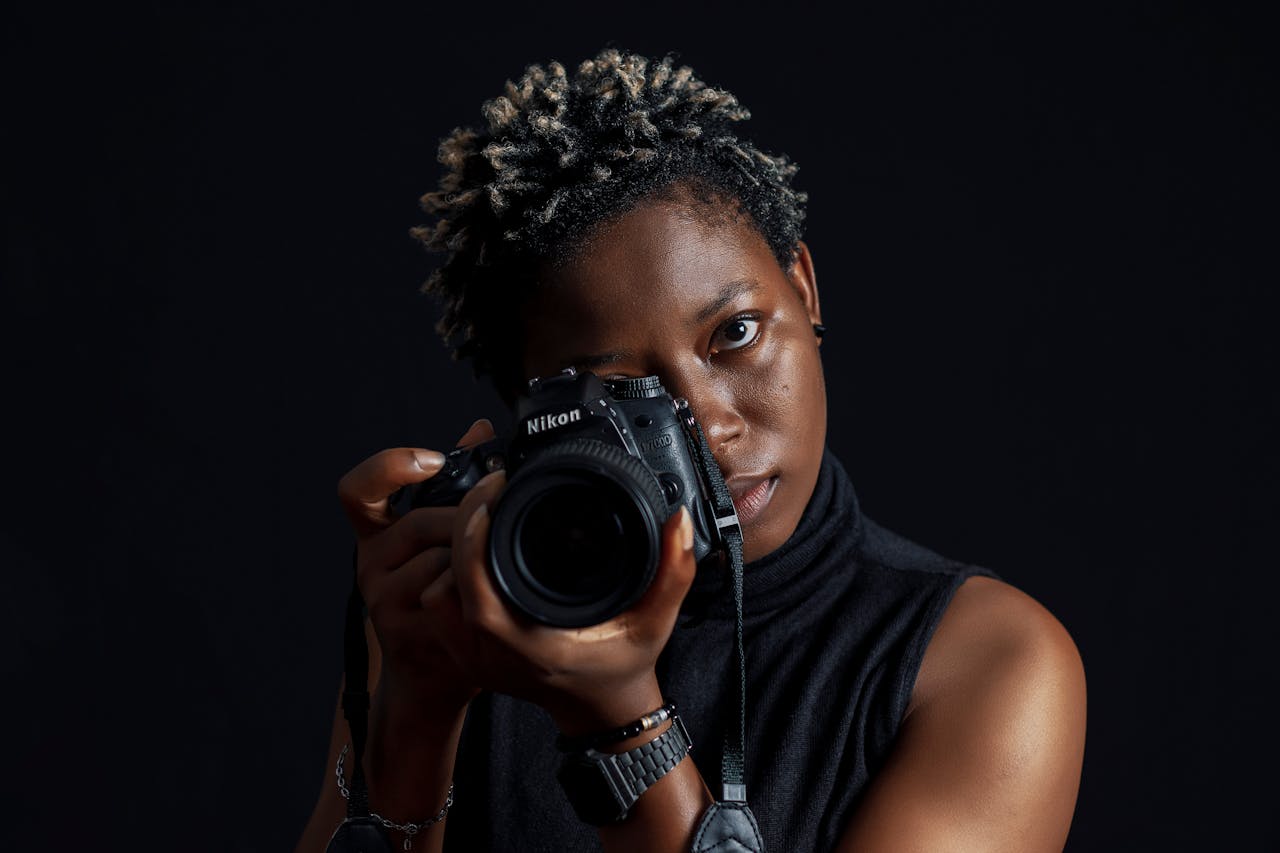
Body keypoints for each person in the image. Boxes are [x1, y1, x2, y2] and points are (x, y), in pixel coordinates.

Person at [296, 47, 1086, 852]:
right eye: (622, 395)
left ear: (803, 288)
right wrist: (415, 710)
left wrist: (622, 721)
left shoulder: (986, 661)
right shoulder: (473, 598)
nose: (709, 428)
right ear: (531, 409)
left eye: (735, 333)